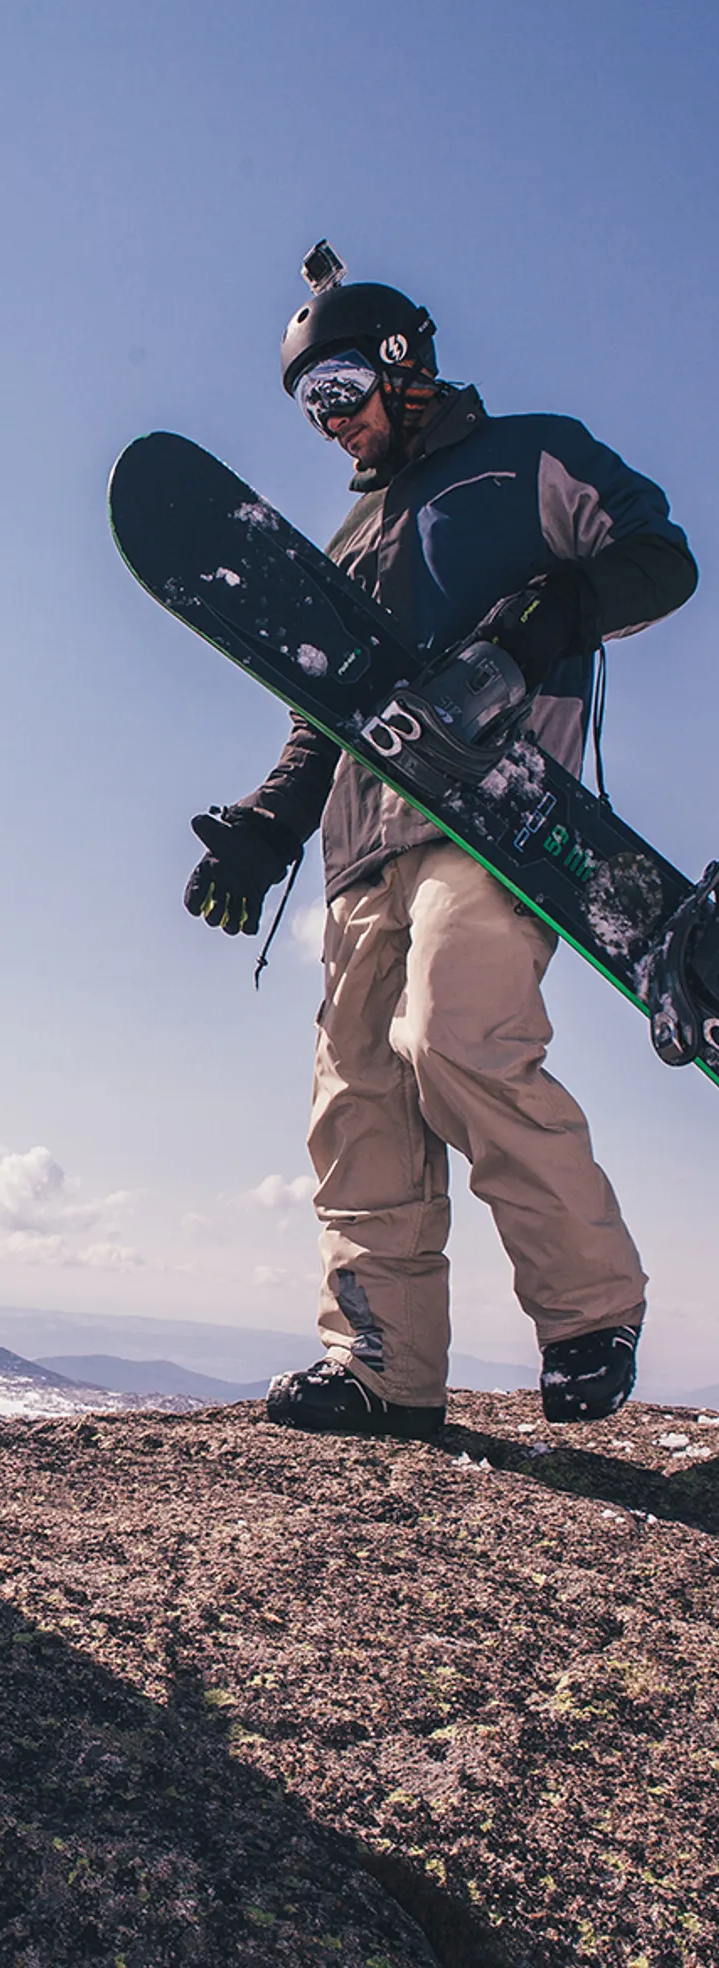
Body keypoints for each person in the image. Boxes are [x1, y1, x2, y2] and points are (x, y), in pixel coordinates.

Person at [185, 246, 696, 1441]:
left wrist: (546, 615)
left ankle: (585, 1311)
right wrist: (263, 828)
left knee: (453, 1035)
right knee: (356, 1096)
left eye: (338, 392)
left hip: (499, 824)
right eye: (309, 407)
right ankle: (381, 1366)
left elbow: (657, 555)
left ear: (404, 366)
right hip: (362, 852)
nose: (329, 426)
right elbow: (322, 717)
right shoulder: (349, 539)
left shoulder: (529, 456)